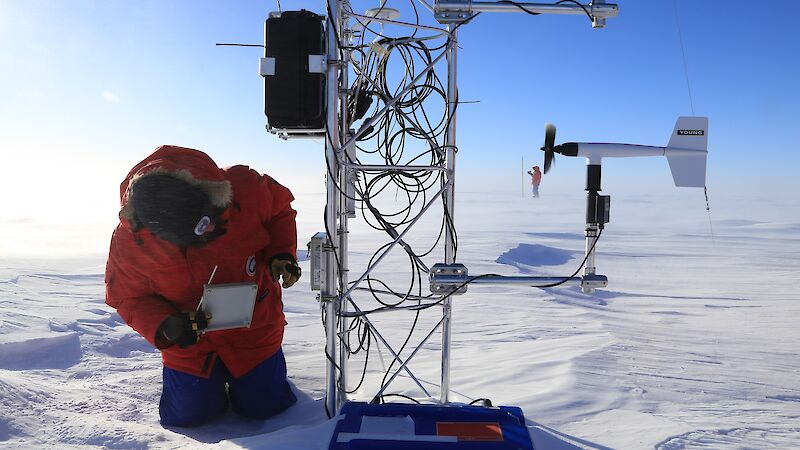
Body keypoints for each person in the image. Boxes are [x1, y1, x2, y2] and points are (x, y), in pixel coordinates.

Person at [105, 145, 301, 427]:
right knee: (190, 417)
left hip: (253, 329)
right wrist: (165, 326)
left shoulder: (244, 189)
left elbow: (280, 210)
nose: (207, 232)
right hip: (191, 343)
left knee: (265, 407)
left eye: (207, 222)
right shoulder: (130, 241)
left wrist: (281, 253)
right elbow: (127, 296)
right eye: (195, 231)